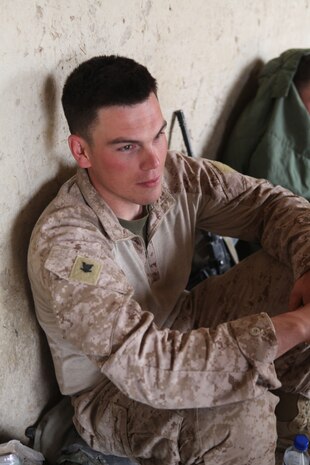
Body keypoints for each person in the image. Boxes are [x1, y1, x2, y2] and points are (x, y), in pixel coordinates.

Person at [27, 55, 310, 465]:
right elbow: (149, 367)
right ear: (81, 151)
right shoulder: (68, 245)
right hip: (114, 392)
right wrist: (295, 326)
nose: (153, 161)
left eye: (158, 135)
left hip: (188, 320)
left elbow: (269, 205)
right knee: (236, 412)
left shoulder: (175, 175)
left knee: (295, 268)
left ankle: (291, 437)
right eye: (127, 147)